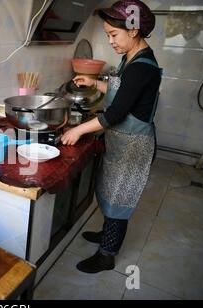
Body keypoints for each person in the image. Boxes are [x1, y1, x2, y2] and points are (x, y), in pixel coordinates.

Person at [61, 0, 162, 273]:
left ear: (133, 31)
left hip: (134, 146)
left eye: (114, 35)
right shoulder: (131, 58)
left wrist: (77, 129)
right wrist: (95, 82)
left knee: (120, 200)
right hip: (121, 142)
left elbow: (116, 112)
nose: (111, 41)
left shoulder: (144, 66)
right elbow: (123, 91)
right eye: (107, 34)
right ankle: (106, 234)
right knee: (109, 191)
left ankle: (107, 255)